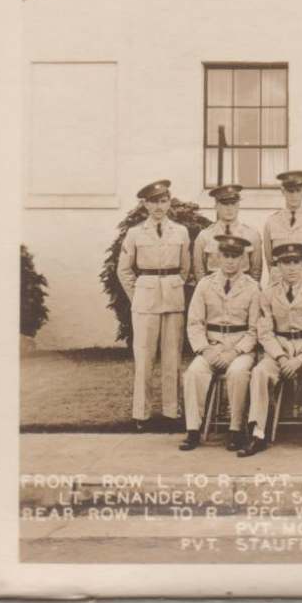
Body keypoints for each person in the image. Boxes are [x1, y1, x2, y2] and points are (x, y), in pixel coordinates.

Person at [240, 242, 302, 458]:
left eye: (296, 262)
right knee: (260, 372)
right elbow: (265, 332)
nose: (291, 268)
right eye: (285, 263)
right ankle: (258, 433)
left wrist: (300, 358)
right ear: (277, 267)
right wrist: (282, 358)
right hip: (279, 347)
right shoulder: (268, 293)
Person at [116, 179, 191, 431]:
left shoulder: (180, 232)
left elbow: (185, 268)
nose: (159, 206)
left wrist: (174, 284)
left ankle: (172, 411)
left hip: (172, 297)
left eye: (163, 200)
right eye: (153, 202)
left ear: (169, 202)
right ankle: (141, 413)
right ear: (145, 204)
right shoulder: (135, 233)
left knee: (172, 357)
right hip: (145, 300)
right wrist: (138, 294)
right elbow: (124, 270)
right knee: (144, 357)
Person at [179, 236, 259, 452]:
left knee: (238, 373)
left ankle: (236, 430)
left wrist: (235, 352)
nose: (231, 261)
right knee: (194, 372)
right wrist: (205, 349)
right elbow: (194, 323)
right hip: (211, 346)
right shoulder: (206, 285)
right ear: (218, 257)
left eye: (236, 256)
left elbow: (254, 330)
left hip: (239, 348)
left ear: (243, 260)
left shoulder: (252, 287)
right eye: (226, 256)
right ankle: (193, 430)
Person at [262, 170, 302, 285]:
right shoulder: (271, 221)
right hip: (278, 283)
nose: (294, 196)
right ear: (283, 191)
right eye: (290, 191)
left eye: (298, 191)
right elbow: (269, 259)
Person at [193, 184, 263, 283]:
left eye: (233, 204)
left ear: (238, 205)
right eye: (225, 204)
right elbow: (199, 271)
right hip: (213, 290)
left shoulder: (251, 235)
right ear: (216, 206)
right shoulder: (205, 236)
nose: (229, 208)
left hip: (242, 290)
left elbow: (256, 271)